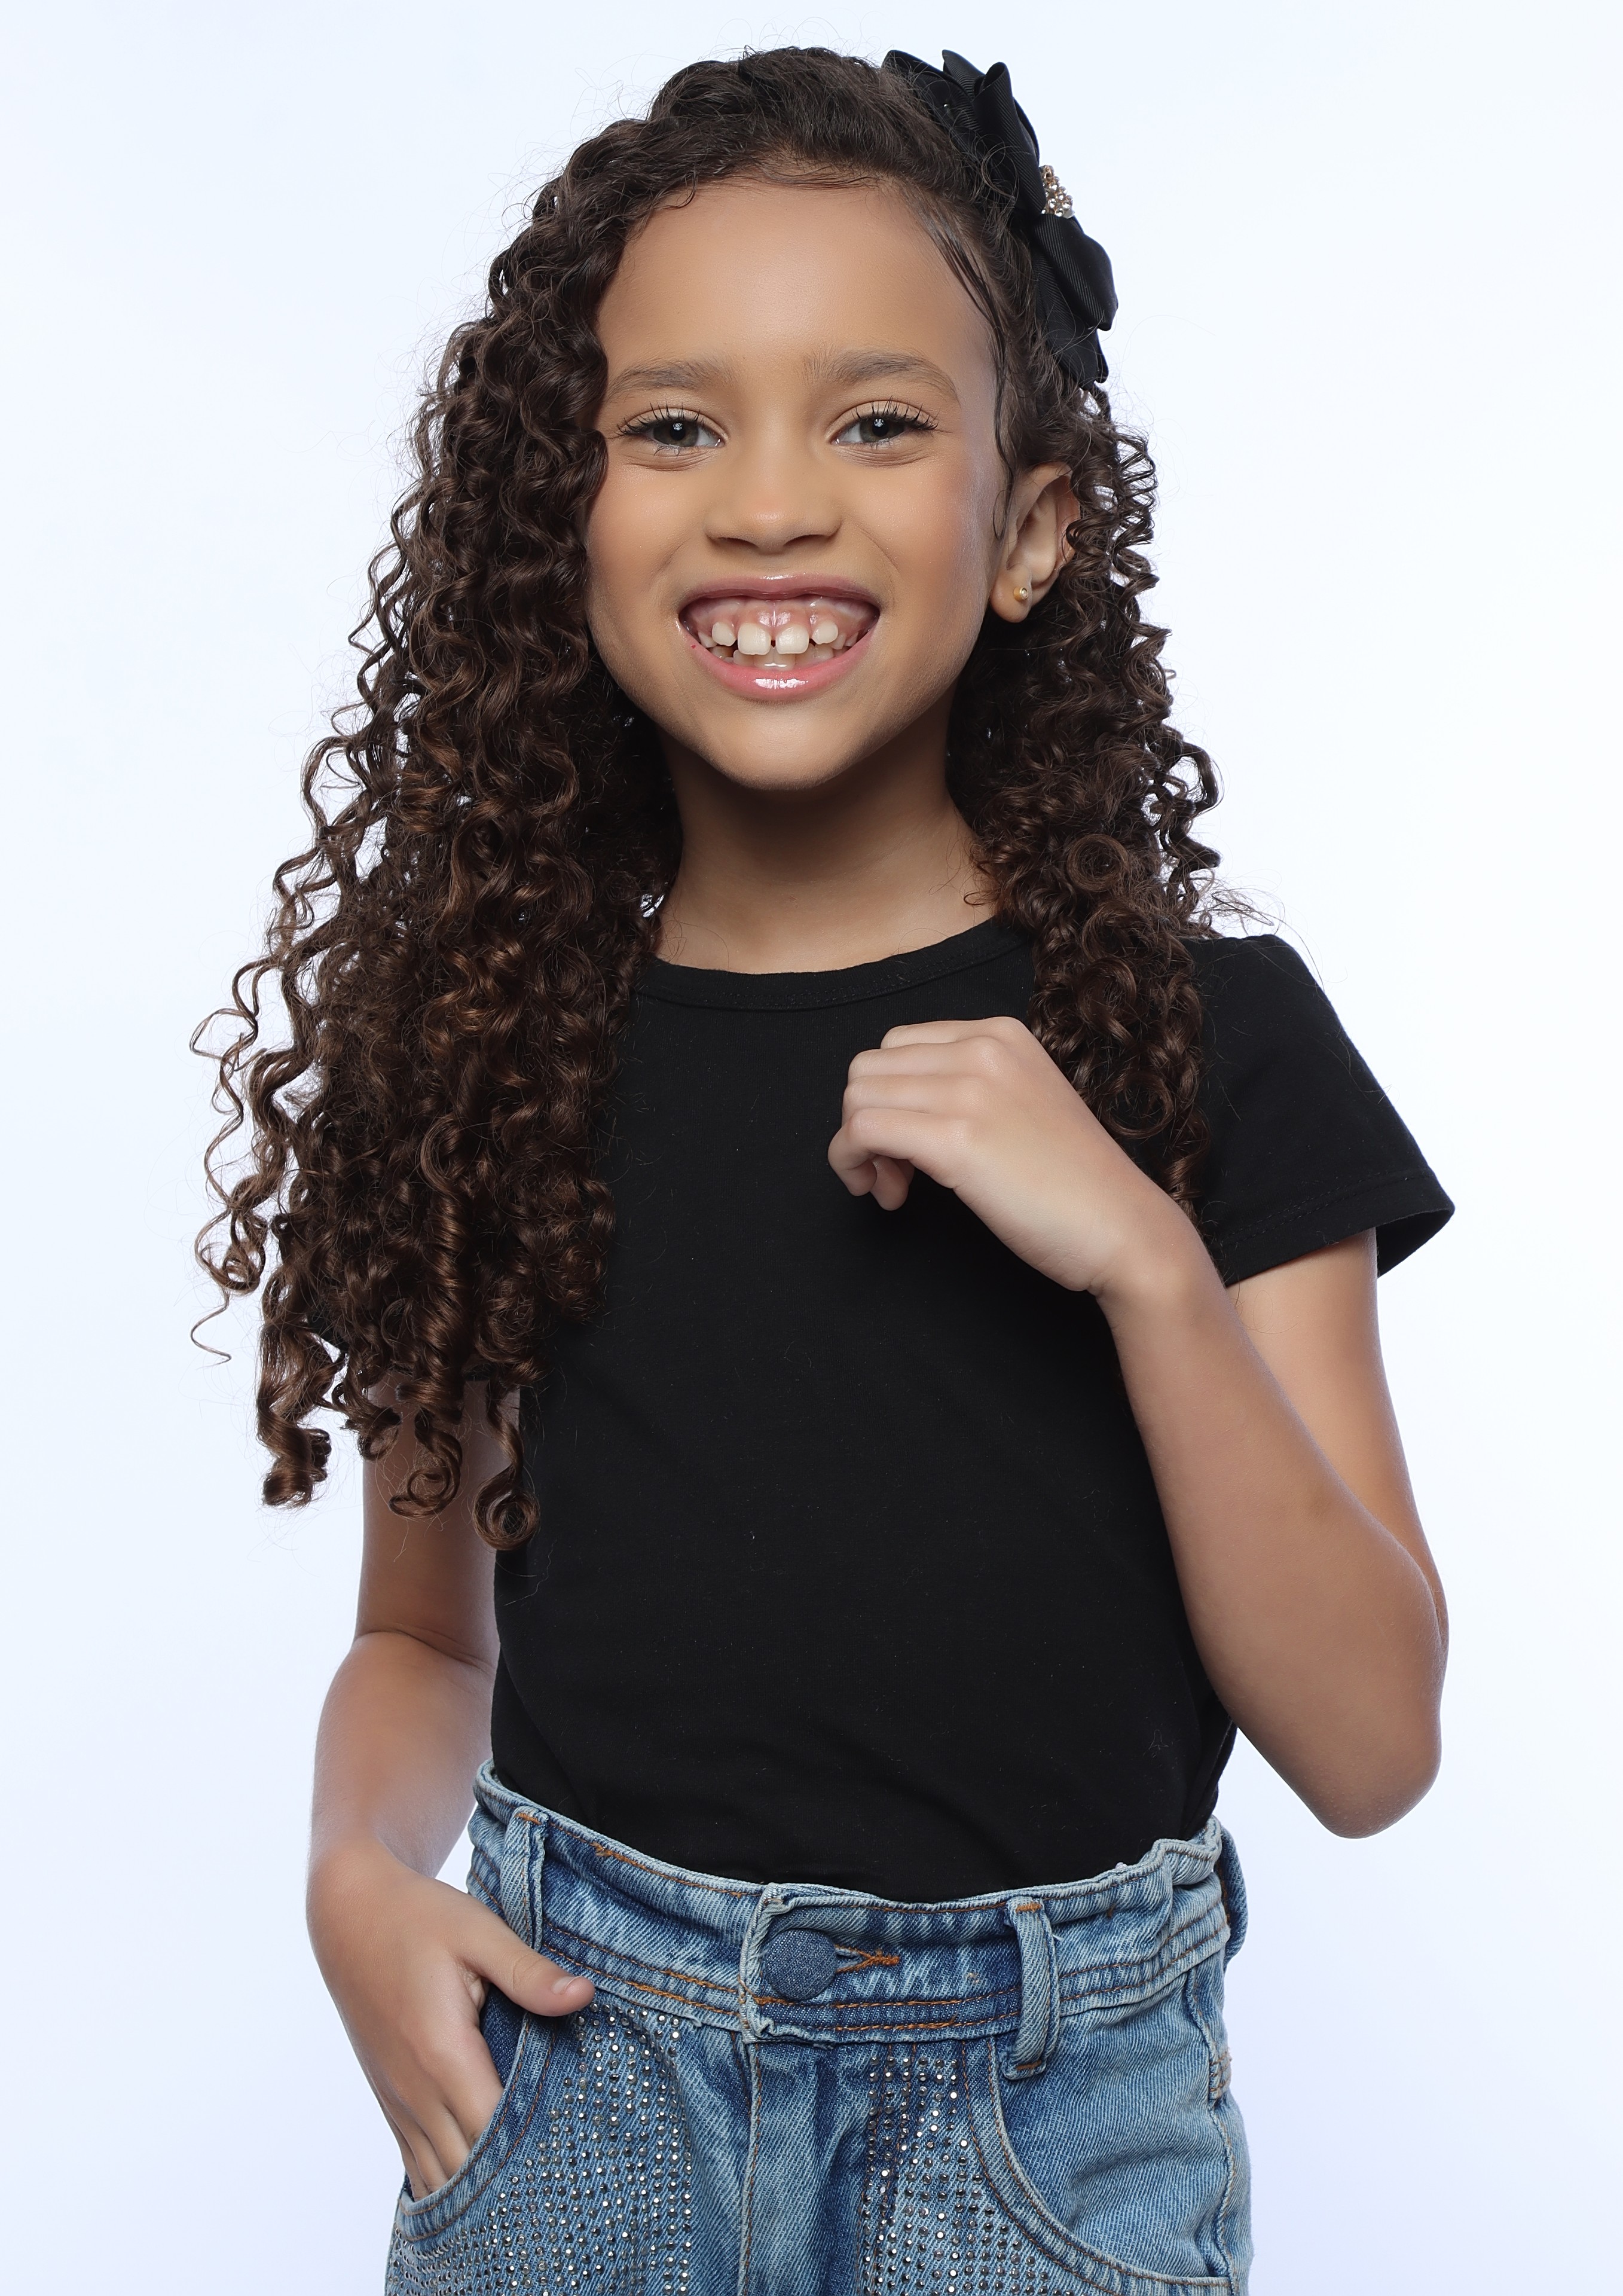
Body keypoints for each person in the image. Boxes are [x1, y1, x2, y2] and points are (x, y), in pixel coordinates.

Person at [199, 45, 1453, 2296]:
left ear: (1032, 523)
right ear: (558, 515)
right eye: (673, 427)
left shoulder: (1206, 1045)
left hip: (1047, 2156)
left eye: (873, 421)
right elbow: (415, 1635)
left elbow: (1369, 1746)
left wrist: (1142, 1261)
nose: (769, 504)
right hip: (571, 2108)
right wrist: (354, 1877)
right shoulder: (482, 1052)